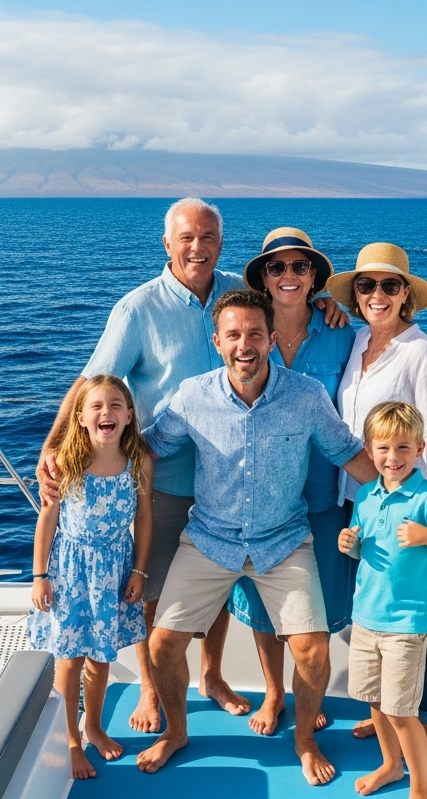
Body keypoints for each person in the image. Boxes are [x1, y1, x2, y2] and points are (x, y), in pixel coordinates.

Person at [36, 198, 349, 733]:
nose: (197, 247)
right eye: (186, 237)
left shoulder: (237, 293)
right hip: (160, 477)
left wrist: (325, 302)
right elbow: (94, 382)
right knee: (155, 590)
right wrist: (56, 445)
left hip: (227, 485)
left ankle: (213, 676)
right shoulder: (138, 309)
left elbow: (285, 301)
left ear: (221, 244)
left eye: (207, 237)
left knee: (222, 590)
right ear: (167, 243)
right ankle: (153, 692)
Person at [136, 289, 378, 785]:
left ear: (270, 339)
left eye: (254, 334)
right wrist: (77, 463)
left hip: (283, 540)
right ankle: (177, 732)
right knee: (161, 646)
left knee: (312, 647)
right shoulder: (192, 396)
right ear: (217, 342)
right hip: (209, 539)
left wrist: (414, 493)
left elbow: (348, 452)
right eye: (233, 335)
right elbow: (147, 448)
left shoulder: (306, 395)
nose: (244, 344)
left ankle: (305, 740)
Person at [325, 242, 427, 737]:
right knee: (378, 593)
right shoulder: (359, 339)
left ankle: (421, 716)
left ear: (406, 294)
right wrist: (323, 305)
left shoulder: (420, 352)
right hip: (361, 494)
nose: (376, 294)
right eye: (365, 285)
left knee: (418, 604)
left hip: (409, 500)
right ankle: (387, 711)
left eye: (388, 285)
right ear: (355, 294)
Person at [228, 227, 356, 736]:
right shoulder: (245, 331)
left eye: (299, 267)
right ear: (262, 277)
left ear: (314, 277)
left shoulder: (343, 332)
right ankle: (274, 692)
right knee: (261, 602)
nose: (288, 276)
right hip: (259, 497)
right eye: (276, 267)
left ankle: (309, 695)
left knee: (316, 602)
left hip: (322, 495)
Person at [28, 375, 154, 779]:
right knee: (70, 658)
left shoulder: (138, 461)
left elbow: (144, 517)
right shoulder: (66, 462)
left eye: (116, 405)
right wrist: (40, 575)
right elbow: (47, 519)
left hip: (114, 569)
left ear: (129, 416)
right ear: (80, 417)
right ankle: (69, 738)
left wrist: (138, 568)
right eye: (97, 406)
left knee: (101, 658)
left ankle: (94, 726)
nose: (107, 413)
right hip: (70, 570)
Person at [338, 401, 427, 799]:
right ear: (369, 450)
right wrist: (350, 546)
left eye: (403, 448)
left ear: (420, 449)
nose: (393, 458)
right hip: (366, 617)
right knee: (375, 703)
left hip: (406, 624)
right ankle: (391, 766)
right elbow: (364, 550)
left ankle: (421, 786)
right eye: (384, 449)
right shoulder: (364, 496)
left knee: (402, 711)